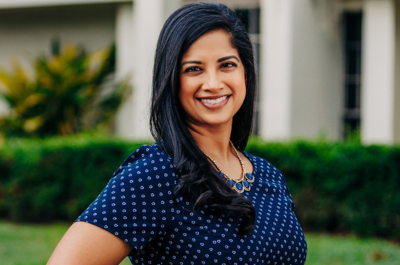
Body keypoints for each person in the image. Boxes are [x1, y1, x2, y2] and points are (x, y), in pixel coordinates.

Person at [48, 2, 307, 265]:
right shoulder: (154, 175)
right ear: (171, 80)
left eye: (227, 65)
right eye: (194, 69)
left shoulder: (269, 175)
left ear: (246, 74)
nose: (214, 84)